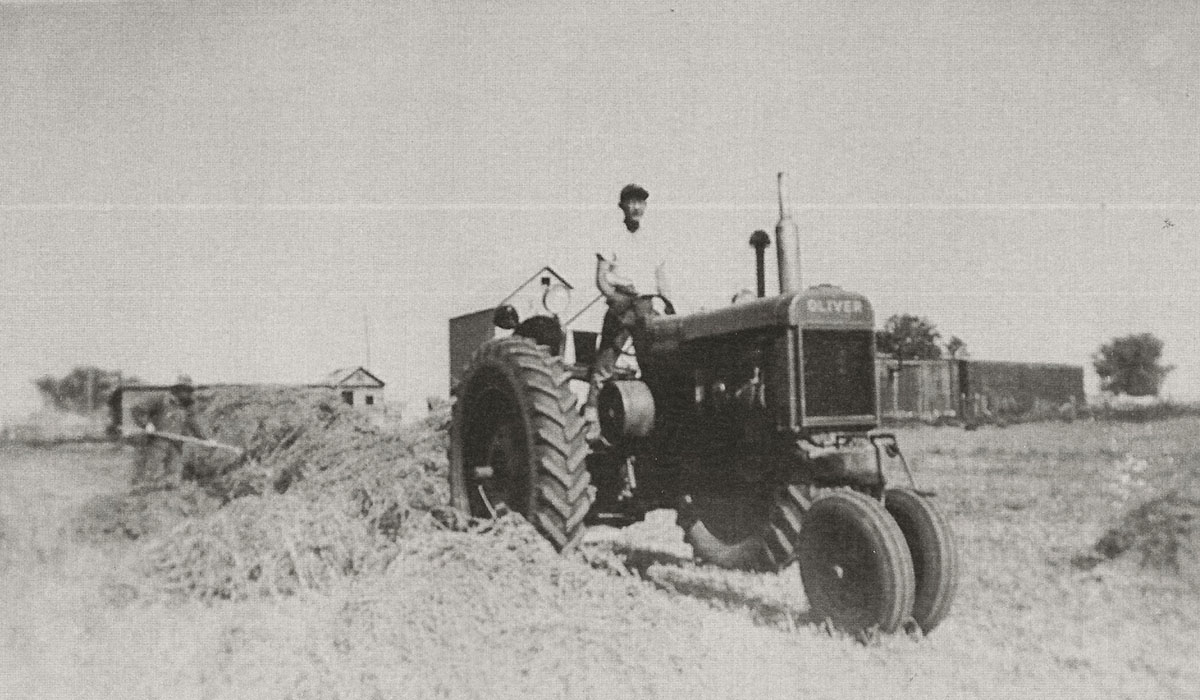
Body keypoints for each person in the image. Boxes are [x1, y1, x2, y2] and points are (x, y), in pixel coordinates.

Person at [583, 184, 672, 441]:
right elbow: (601, 278)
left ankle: (655, 421)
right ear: (622, 206)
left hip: (646, 305)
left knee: (652, 361)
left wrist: (667, 302)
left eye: (640, 202)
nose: (636, 207)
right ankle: (592, 419)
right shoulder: (611, 236)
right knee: (605, 364)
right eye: (630, 202)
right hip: (622, 302)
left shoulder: (653, 239)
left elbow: (660, 277)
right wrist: (615, 300)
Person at [129, 374, 208, 489]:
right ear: (176, 389)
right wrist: (146, 424)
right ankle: (146, 500)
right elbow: (137, 409)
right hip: (157, 445)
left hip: (176, 446)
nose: (186, 393)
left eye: (188, 390)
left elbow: (193, 424)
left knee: (173, 478)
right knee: (152, 477)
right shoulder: (161, 399)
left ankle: (169, 502)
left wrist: (205, 439)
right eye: (183, 389)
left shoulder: (187, 406)